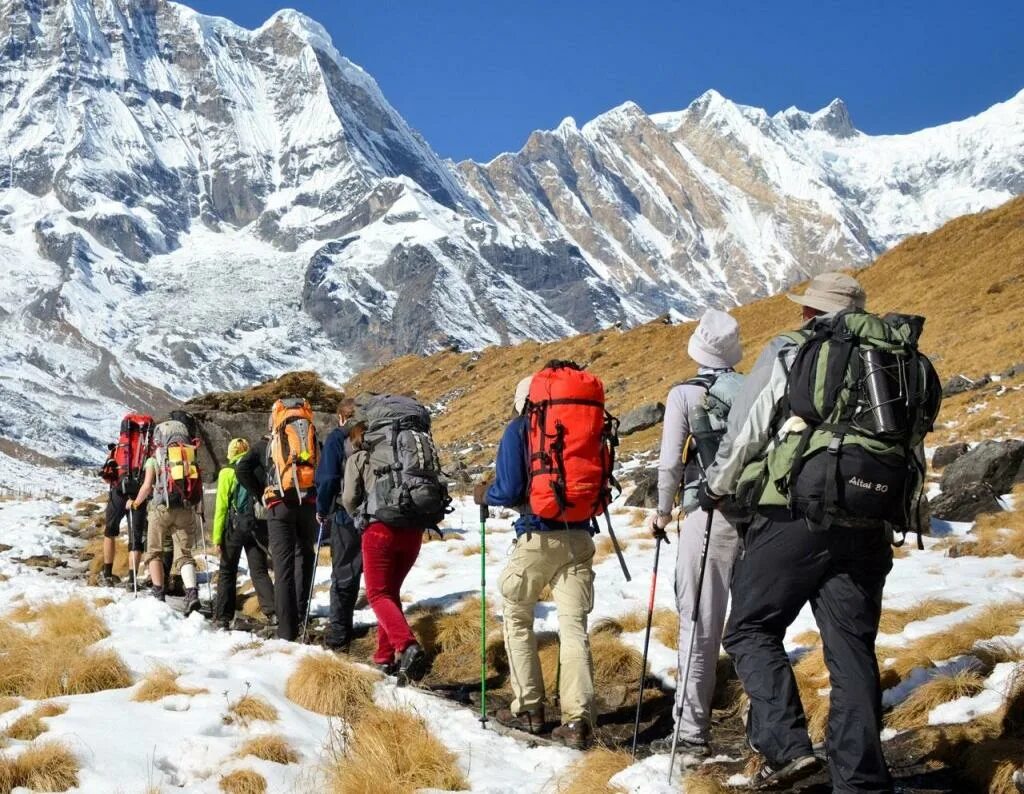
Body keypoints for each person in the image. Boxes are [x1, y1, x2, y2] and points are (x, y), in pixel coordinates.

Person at [701, 272, 894, 791]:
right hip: (869, 518)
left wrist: (716, 486)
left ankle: (788, 750)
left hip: (795, 515)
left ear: (812, 313)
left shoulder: (793, 348)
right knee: (852, 648)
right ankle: (862, 781)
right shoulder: (889, 357)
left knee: (750, 628)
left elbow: (749, 425)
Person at [474, 369, 598, 750]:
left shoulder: (520, 428)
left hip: (537, 536)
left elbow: (509, 488)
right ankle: (578, 721)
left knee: (516, 616)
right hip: (580, 535)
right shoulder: (582, 422)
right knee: (573, 627)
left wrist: (485, 494)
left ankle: (529, 708)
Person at [649, 309, 744, 759]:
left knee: (699, 624)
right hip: (759, 519)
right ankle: (763, 725)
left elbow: (670, 463)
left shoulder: (685, 394)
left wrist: (663, 513)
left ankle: (689, 734)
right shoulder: (753, 389)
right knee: (753, 625)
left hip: (707, 515)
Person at [341, 417, 426, 684]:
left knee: (377, 594)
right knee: (390, 593)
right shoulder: (403, 452)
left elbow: (349, 498)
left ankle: (407, 646)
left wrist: (358, 515)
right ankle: (384, 657)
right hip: (412, 531)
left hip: (379, 530)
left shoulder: (359, 458)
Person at [236, 403, 319, 643]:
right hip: (308, 502)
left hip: (278, 505)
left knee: (283, 567)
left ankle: (286, 631)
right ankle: (302, 615)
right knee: (305, 556)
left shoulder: (265, 445)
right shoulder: (311, 439)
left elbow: (242, 470)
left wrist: (260, 492)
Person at [126, 422, 201, 613]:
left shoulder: (155, 458)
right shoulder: (189, 454)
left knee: (154, 551)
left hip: (161, 509)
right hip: (185, 508)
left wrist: (135, 503)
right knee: (184, 555)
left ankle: (158, 593)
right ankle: (192, 593)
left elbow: (147, 486)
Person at [315, 398, 363, 652]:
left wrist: (322, 509)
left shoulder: (337, 438)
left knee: (343, 573)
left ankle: (339, 634)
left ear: (342, 418)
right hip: (375, 515)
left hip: (345, 515)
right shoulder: (373, 435)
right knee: (366, 572)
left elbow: (327, 478)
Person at [212, 438, 276, 630]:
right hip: (257, 524)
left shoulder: (227, 472)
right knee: (258, 570)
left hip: (235, 526)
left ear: (231, 452)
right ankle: (273, 612)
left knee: (227, 570)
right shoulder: (257, 468)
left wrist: (217, 538)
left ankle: (223, 617)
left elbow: (221, 508)